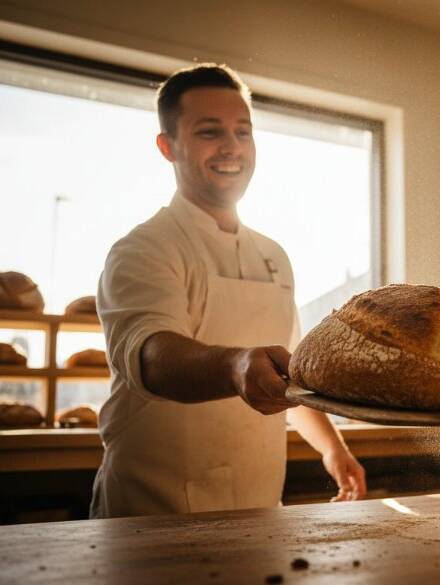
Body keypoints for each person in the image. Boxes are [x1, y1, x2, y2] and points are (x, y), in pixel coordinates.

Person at [91, 63, 366, 518]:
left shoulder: (273, 255)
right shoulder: (143, 249)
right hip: (151, 516)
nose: (231, 147)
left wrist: (332, 450)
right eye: (209, 132)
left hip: (258, 509)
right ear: (168, 146)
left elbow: (290, 372)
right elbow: (151, 356)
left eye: (243, 131)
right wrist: (235, 366)